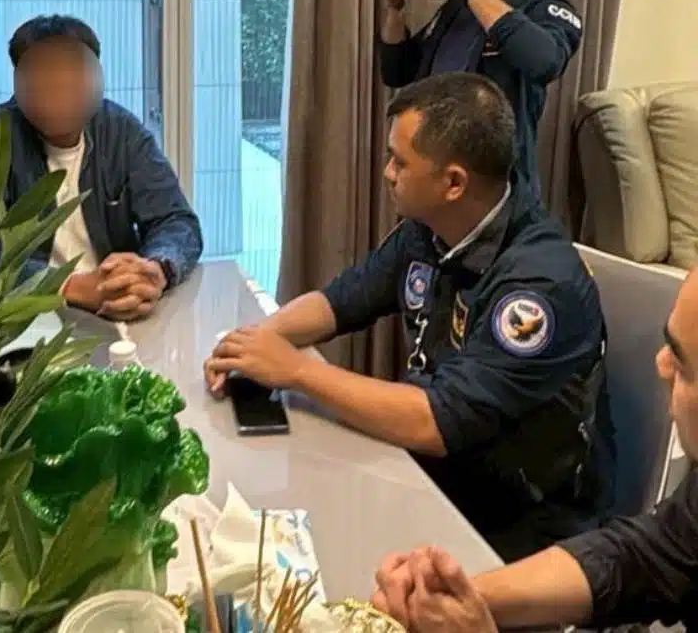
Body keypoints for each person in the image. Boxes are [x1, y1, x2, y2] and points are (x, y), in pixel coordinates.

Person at [203, 72, 612, 562]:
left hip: (518, 522)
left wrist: (295, 370)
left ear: (453, 183)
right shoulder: (429, 227)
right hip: (439, 474)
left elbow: (440, 422)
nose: (387, 172)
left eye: (400, 161)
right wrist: (251, 345)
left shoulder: (537, 290)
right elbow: (341, 301)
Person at [372, 269, 698, 631]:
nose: (661, 363)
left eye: (682, 362)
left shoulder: (543, 279)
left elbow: (440, 419)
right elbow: (644, 556)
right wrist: (446, 600)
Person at [0, 14, 202, 321]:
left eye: (72, 72)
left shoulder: (121, 131)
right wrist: (72, 286)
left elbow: (176, 221)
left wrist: (154, 270)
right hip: (29, 316)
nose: (59, 86)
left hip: (120, 310)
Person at [380, 0, 583, 196]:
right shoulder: (456, 8)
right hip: (432, 175)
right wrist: (395, 10)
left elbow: (545, 61)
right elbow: (396, 73)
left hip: (495, 184)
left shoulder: (546, 6)